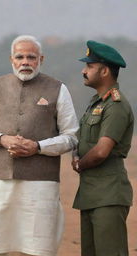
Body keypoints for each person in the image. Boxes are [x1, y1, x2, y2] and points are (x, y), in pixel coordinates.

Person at [0, 35, 78, 256]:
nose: (25, 62)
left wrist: (37, 147)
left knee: (40, 248)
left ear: (41, 59)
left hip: (41, 184)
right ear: (12, 59)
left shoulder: (58, 88)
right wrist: (2, 139)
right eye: (20, 57)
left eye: (31, 57)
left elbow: (71, 136)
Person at [72, 40, 134, 256]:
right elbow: (80, 141)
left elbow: (101, 151)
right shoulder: (96, 103)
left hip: (108, 194)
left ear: (105, 70)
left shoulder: (116, 105)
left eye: (89, 66)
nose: (84, 71)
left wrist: (79, 164)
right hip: (92, 194)